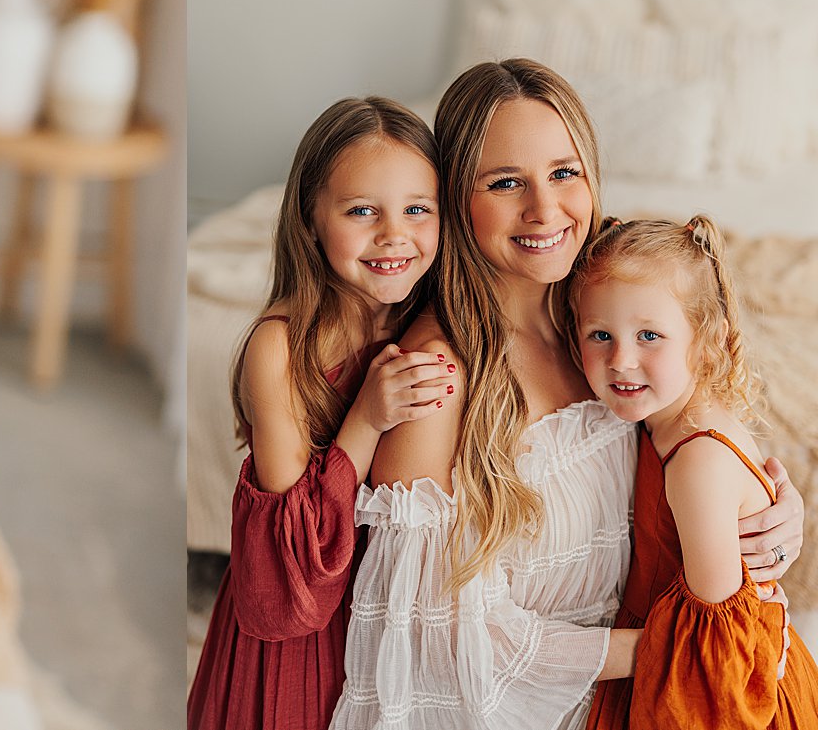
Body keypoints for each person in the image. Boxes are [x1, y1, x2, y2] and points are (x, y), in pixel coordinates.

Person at [333, 59, 807, 730]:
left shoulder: (604, 313)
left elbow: (699, 424)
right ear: (457, 201)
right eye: (505, 182)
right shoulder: (437, 376)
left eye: (565, 172)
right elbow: (438, 642)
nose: (546, 210)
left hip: (636, 692)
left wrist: (772, 516)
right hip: (521, 704)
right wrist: (688, 651)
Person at [188, 96, 454, 729]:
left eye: (418, 210)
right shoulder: (277, 348)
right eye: (362, 211)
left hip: (387, 617)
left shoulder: (437, 322)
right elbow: (286, 565)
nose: (394, 235)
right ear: (310, 218)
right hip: (296, 644)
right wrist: (366, 417)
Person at [576, 217, 818, 728]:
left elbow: (719, 638)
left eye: (649, 336)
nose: (621, 360)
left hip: (705, 693)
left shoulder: (696, 461)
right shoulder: (660, 414)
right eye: (601, 334)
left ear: (707, 342)